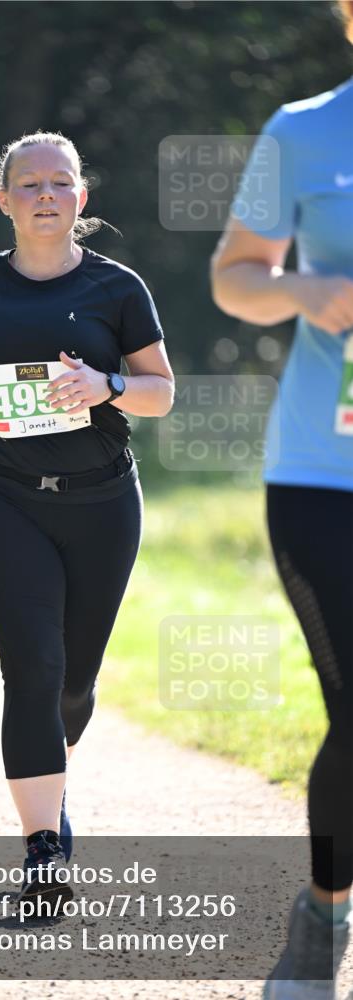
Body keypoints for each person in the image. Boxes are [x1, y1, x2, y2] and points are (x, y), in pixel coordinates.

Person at [0, 130, 174, 907]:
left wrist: (107, 384)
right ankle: (42, 845)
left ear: (81, 198)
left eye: (60, 183)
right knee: (33, 667)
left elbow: (161, 391)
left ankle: (51, 786)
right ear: (5, 199)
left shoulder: (119, 289)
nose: (45, 194)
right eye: (30, 184)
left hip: (101, 503)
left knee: (73, 685)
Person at [210, 5, 353, 996]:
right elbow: (232, 277)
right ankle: (325, 902)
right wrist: (304, 293)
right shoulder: (299, 130)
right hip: (320, 472)